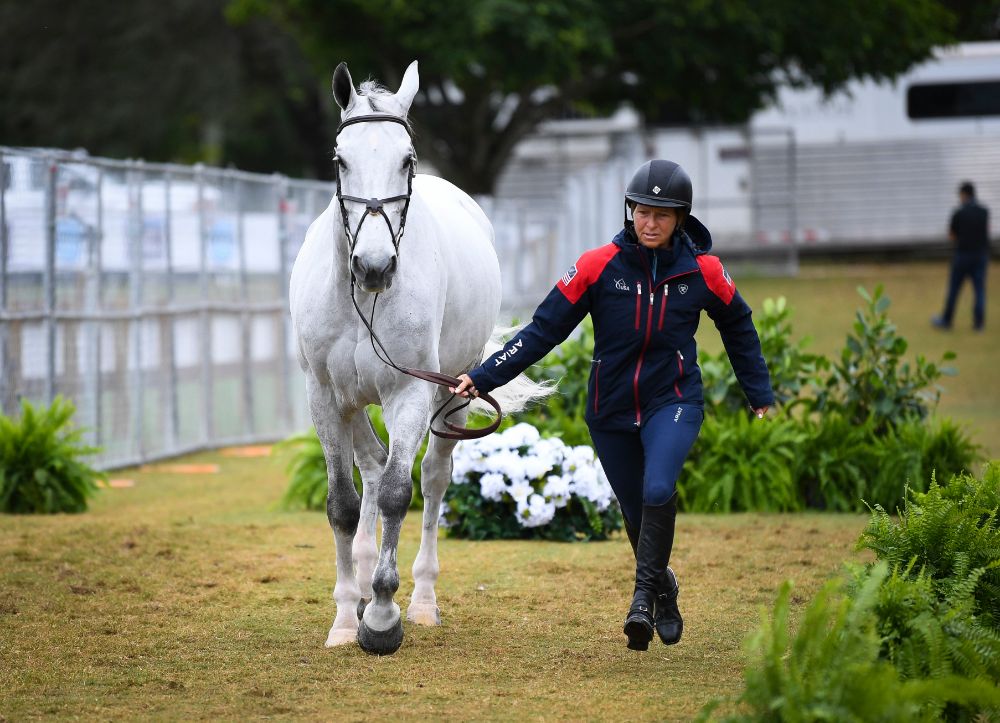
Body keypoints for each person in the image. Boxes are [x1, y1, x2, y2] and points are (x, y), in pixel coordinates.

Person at [451, 160, 774, 651]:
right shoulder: (598, 265)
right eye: (642, 211)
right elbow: (543, 330)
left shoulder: (703, 270)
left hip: (675, 399)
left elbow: (739, 325)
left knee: (659, 486)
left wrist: (759, 392)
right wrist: (484, 376)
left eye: (661, 215)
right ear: (630, 211)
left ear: (680, 218)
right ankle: (665, 588)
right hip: (611, 409)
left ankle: (643, 598)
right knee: (635, 512)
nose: (649, 222)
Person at [933, 181, 991, 331]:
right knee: (979, 290)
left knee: (954, 289)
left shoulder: (959, 212)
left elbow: (952, 236)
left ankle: (947, 320)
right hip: (980, 256)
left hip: (963, 256)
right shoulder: (984, 212)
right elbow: (986, 232)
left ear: (964, 194)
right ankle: (979, 324)